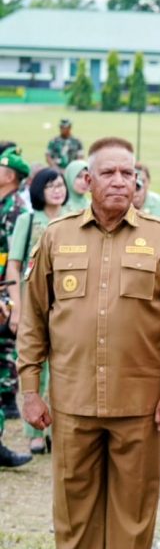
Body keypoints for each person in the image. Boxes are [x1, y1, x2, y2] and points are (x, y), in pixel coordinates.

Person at [18, 136, 160, 549]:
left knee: (133, 502)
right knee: (74, 500)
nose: (121, 181)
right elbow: (33, 318)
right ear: (88, 181)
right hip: (72, 398)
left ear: (138, 182)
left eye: (129, 174)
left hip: (140, 399)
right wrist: (30, 388)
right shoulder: (57, 236)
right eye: (110, 173)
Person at [5, 168, 67, 454]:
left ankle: (59, 429)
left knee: (64, 372)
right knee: (34, 368)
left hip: (67, 308)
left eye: (60, 185)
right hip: (33, 305)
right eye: (51, 185)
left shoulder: (74, 218)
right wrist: (16, 309)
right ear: (39, 190)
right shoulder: (28, 220)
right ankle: (35, 433)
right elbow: (14, 266)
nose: (57, 190)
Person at [0, 148, 33, 467]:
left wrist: (10, 301)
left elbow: (13, 259)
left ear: (10, 176)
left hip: (4, 292)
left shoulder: (16, 209)